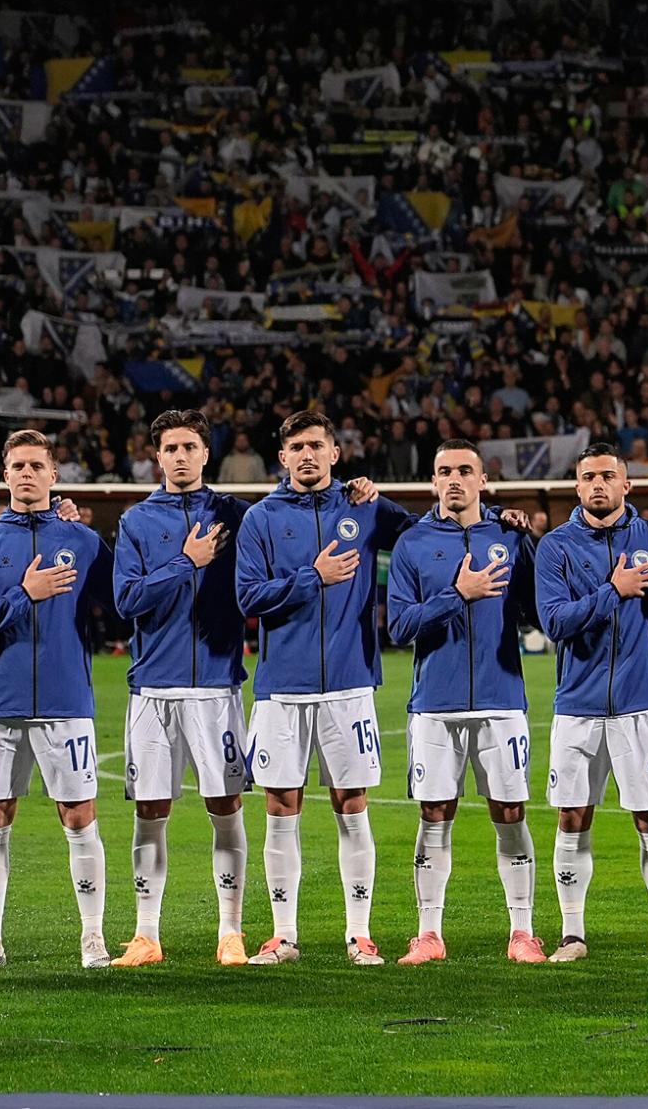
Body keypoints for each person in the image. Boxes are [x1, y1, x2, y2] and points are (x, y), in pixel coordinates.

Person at [231, 410, 410, 967]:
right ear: (281, 457)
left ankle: (359, 933)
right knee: (281, 806)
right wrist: (314, 576)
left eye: (317, 445)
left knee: (351, 805)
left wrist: (502, 517)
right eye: (296, 447)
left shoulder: (363, 507)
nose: (307, 455)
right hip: (282, 687)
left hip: (349, 685)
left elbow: (431, 534)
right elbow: (249, 599)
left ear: (336, 452)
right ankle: (283, 935)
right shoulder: (260, 519)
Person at [0, 429, 116, 970]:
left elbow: (117, 609)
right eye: (17, 465)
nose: (26, 473)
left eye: (36, 466)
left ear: (53, 475)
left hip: (67, 701)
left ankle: (93, 938)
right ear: (5, 476)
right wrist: (24, 595)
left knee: (79, 815)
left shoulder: (84, 542)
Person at [385, 439, 546, 964]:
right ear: (433, 482)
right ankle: (428, 934)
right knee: (435, 814)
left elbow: (542, 612)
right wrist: (459, 594)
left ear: (482, 480)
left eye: (464, 470)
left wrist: (534, 539)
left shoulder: (510, 536)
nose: (454, 479)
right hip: (435, 702)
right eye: (443, 472)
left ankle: (523, 932)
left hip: (501, 698)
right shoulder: (412, 543)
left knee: (510, 811)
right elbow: (399, 626)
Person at [106, 409, 253, 968]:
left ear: (205, 454)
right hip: (154, 689)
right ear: (157, 456)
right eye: (170, 448)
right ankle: (146, 935)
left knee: (226, 806)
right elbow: (126, 602)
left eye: (190, 446)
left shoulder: (236, 515)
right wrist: (183, 562)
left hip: (217, 687)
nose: (180, 457)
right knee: (151, 810)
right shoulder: (138, 521)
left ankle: (231, 932)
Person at [535, 443, 648, 961]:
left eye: (607, 476)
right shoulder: (554, 548)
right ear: (577, 487)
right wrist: (614, 590)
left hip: (640, 702)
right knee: (573, 817)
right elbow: (554, 622)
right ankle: (572, 935)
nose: (598, 485)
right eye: (587, 477)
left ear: (627, 485)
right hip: (577, 704)